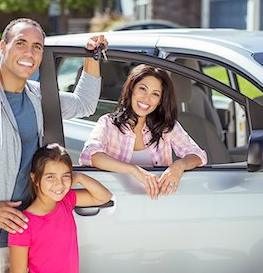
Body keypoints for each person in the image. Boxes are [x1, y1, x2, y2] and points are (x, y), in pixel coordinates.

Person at [0, 17, 108, 273]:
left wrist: (92, 55)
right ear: (2, 46)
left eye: (37, 46)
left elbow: (84, 104)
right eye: (20, 42)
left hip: (26, 240)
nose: (29, 52)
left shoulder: (35, 96)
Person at [8, 143, 112, 273]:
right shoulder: (23, 225)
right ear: (35, 178)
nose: (59, 184)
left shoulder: (66, 202)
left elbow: (104, 196)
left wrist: (79, 178)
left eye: (65, 176)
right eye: (50, 177)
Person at [80, 64, 207, 199]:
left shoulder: (166, 127)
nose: (147, 98)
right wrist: (134, 170)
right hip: (118, 201)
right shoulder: (108, 124)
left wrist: (178, 166)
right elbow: (90, 155)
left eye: (155, 94)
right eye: (142, 89)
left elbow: (198, 155)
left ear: (159, 101)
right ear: (132, 89)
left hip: (157, 203)